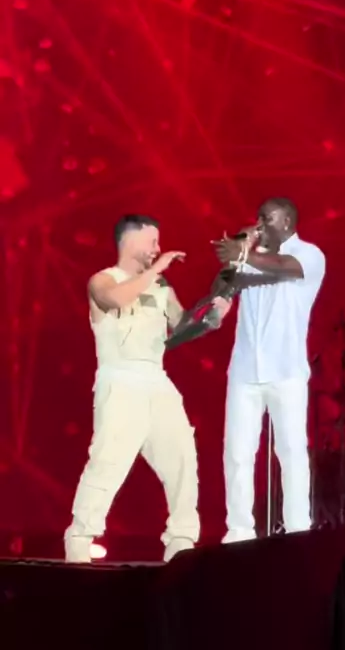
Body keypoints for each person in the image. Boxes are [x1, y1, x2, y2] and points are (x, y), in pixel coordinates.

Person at [64, 214, 230, 563]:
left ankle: (182, 540)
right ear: (129, 240)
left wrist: (210, 318)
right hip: (120, 378)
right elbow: (114, 300)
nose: (158, 248)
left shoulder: (161, 287)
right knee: (108, 462)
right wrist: (154, 271)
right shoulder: (103, 280)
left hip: (156, 379)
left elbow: (180, 327)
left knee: (183, 457)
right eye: (152, 241)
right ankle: (80, 538)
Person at [213, 198, 326, 543]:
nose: (260, 224)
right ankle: (239, 530)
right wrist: (240, 252)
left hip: (286, 369)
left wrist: (245, 254)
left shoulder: (309, 254)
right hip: (245, 370)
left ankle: (297, 530)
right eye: (258, 217)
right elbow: (223, 285)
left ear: (287, 221)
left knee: (291, 452)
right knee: (237, 452)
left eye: (267, 218)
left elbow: (283, 267)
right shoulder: (252, 255)